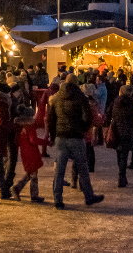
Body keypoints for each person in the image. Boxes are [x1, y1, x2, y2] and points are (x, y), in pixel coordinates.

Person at [47, 74, 105, 210]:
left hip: (61, 137)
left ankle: (57, 199)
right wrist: (82, 130)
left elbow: (51, 119)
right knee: (82, 167)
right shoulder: (80, 98)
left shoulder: (56, 98)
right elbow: (87, 117)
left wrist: (53, 135)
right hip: (76, 137)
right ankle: (88, 196)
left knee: (59, 170)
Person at [109, 84, 133, 187]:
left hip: (116, 131)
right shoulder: (131, 104)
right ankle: (122, 177)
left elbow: (109, 114)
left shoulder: (115, 103)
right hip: (127, 132)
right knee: (124, 155)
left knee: (119, 154)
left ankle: (121, 175)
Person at [11, 105, 48, 202]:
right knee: (33, 174)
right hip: (31, 151)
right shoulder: (30, 126)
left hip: (24, 150)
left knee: (31, 173)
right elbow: (33, 140)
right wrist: (46, 142)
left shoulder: (19, 126)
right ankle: (24, 191)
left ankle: (22, 190)